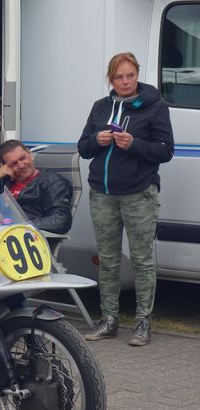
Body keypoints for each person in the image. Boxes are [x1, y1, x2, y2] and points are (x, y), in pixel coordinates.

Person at [77, 52, 173, 347]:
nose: (125, 81)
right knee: (107, 261)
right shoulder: (100, 107)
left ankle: (143, 323)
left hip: (138, 193)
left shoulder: (155, 107)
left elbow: (165, 150)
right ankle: (109, 320)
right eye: (119, 77)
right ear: (111, 79)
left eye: (130, 75)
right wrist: (98, 141)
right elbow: (83, 148)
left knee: (142, 260)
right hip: (103, 194)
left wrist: (133, 144)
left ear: (138, 75)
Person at [0, 139, 72, 234]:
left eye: (22, 158)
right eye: (14, 163)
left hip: (28, 239)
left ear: (29, 154)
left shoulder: (53, 182)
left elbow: (61, 220)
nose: (21, 165)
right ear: (5, 167)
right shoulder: (4, 182)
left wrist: (11, 223)